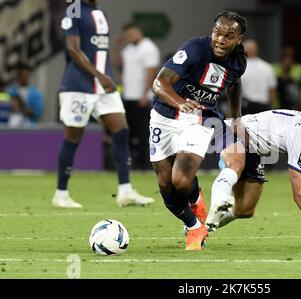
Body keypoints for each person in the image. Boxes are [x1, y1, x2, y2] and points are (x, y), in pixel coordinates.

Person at [150, 11, 247, 251]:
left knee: (180, 180)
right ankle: (195, 225)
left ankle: (194, 216)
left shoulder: (238, 61)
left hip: (199, 117)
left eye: (229, 36)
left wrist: (235, 115)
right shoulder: (194, 49)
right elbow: (159, 83)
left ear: (239, 39)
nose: (221, 40)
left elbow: (233, 83)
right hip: (164, 115)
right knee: (165, 185)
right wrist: (179, 101)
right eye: (217, 33)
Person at [206, 106, 301, 250]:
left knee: (245, 209)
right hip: (235, 132)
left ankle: (203, 226)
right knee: (235, 164)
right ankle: (217, 201)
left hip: (254, 150)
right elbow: (300, 194)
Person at [52, 0, 154, 208]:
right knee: (74, 135)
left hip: (103, 85)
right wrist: (99, 75)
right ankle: (61, 194)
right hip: (79, 85)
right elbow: (72, 49)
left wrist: (105, 75)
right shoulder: (74, 11)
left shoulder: (101, 14)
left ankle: (125, 191)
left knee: (121, 130)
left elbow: (99, 51)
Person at [112, 23, 160, 170]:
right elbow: (116, 64)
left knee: (144, 134)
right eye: (126, 35)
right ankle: (129, 165)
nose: (129, 36)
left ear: (138, 31)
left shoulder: (148, 48)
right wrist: (116, 47)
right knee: (128, 133)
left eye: (131, 33)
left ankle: (146, 166)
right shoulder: (128, 49)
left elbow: (151, 73)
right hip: (128, 97)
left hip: (142, 98)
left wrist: (146, 94)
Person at [240, 39, 277, 115]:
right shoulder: (268, 67)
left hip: (246, 107)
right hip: (264, 107)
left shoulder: (241, 68)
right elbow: (272, 92)